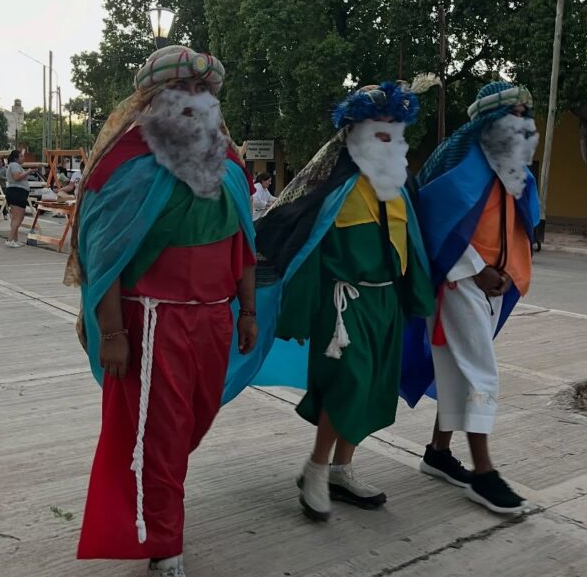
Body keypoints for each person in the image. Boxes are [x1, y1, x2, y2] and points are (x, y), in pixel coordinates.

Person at [66, 45, 257, 577]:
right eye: (185, 97)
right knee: (160, 441)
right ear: (153, 103)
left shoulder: (228, 168)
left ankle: (158, 528)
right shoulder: (126, 167)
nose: (198, 108)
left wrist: (247, 312)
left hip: (213, 324)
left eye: (207, 98)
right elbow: (104, 258)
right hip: (150, 325)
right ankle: (162, 561)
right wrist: (113, 333)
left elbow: (243, 245)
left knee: (185, 431)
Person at [224, 81, 434, 522]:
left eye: (395, 131)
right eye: (380, 131)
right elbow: (300, 243)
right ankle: (315, 469)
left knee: (372, 386)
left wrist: (416, 298)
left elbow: (413, 246)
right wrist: (298, 310)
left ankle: (341, 469)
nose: (390, 140)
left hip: (386, 304)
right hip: (344, 305)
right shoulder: (332, 190)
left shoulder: (401, 187)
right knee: (348, 384)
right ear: (354, 133)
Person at [403, 81, 540, 515]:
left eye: (525, 113)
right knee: (482, 374)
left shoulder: (511, 166)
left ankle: (438, 454)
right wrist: (477, 270)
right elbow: (434, 220)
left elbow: (516, 224)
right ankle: (483, 474)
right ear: (490, 120)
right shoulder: (462, 158)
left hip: (493, 285)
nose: (523, 121)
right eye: (514, 113)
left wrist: (505, 275)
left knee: (459, 371)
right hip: (460, 281)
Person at [5, 150, 30, 248]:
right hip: (17, 192)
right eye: (21, 156)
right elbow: (17, 177)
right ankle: (10, 239)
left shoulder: (14, 165)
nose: (23, 158)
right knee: (18, 218)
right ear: (16, 158)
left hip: (17, 192)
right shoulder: (14, 165)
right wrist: (29, 171)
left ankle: (15, 239)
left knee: (16, 217)